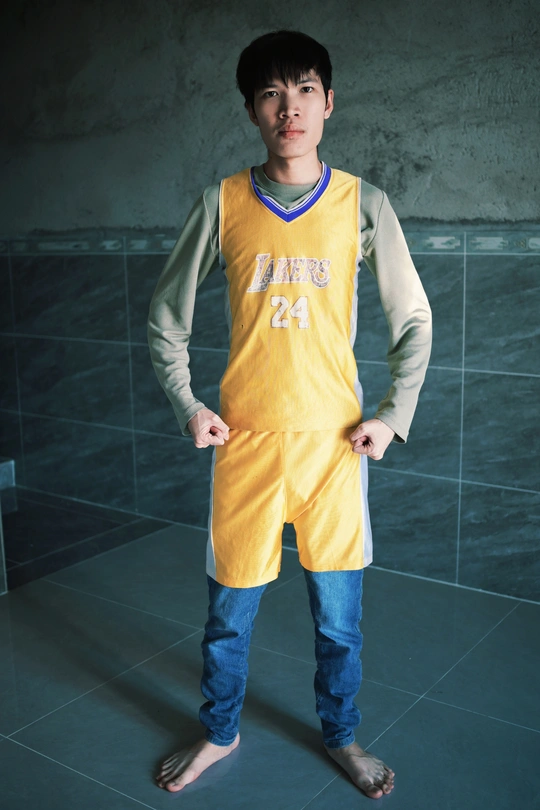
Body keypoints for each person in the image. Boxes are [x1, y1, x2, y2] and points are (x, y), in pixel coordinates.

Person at [147, 29, 432, 800]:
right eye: (271, 93)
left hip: (334, 451)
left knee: (339, 622)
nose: (289, 108)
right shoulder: (223, 203)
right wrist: (188, 404)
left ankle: (342, 736)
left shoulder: (362, 204)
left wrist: (392, 414)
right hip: (245, 445)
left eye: (304, 89)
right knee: (228, 616)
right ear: (251, 109)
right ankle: (219, 731)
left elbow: (413, 320)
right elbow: (166, 317)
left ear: (329, 102)